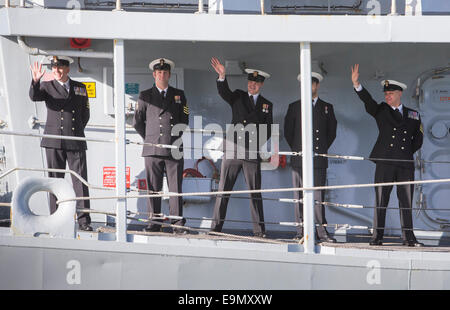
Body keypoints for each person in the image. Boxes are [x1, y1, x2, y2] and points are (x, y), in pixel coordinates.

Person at [351, 64, 424, 247]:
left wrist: (405, 153)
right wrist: (357, 84)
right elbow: (368, 102)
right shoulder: (381, 111)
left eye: (390, 93)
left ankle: (409, 238)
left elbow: (418, 140)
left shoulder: (413, 115)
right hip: (385, 162)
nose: (387, 96)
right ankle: (377, 237)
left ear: (400, 93)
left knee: (406, 202)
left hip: (405, 164)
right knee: (381, 200)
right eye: (385, 94)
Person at [209, 57, 273, 238]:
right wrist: (222, 76)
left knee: (255, 193)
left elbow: (268, 130)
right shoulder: (237, 95)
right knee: (223, 190)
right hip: (232, 149)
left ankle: (259, 231)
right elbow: (224, 93)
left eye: (256, 82)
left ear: (261, 85)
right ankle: (215, 228)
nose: (252, 84)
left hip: (251, 152)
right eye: (251, 81)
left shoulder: (267, 105)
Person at [29, 56, 92, 231]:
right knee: (54, 182)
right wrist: (35, 80)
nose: (55, 70)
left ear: (67, 69)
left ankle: (84, 221)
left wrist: (75, 130)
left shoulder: (80, 87)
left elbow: (85, 114)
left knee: (80, 182)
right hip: (53, 140)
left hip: (75, 140)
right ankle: (55, 221)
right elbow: (34, 97)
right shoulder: (47, 86)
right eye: (53, 67)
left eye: (59, 67)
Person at [133, 58, 189, 234]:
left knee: (175, 188)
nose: (162, 75)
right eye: (159, 72)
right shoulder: (145, 95)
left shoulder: (179, 95)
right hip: (152, 148)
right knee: (153, 188)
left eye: (165, 72)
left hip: (173, 147)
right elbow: (137, 122)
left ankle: (177, 223)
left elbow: (184, 121)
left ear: (169, 75)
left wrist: (173, 139)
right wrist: (150, 138)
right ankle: (154, 222)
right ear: (154, 74)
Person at [284, 72, 337, 243]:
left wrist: (319, 150)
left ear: (317, 86)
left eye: (311, 84)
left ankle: (322, 232)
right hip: (299, 159)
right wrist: (300, 150)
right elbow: (289, 133)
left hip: (318, 159)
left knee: (318, 197)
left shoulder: (327, 107)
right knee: (299, 196)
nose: (308, 87)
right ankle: (301, 231)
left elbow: (331, 133)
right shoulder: (294, 107)